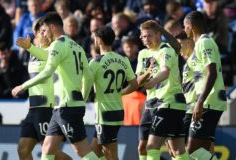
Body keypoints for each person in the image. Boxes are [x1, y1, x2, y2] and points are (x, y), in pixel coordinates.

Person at [11, 12, 98, 160]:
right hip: (63, 107)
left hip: (65, 105)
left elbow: (47, 72)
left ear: (52, 27)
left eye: (44, 30)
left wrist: (23, 86)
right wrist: (82, 99)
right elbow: (88, 77)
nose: (43, 34)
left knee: (82, 151)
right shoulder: (76, 47)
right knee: (47, 149)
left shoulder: (58, 45)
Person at [15, 17, 71, 160]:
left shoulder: (52, 51)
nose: (44, 34)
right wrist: (31, 48)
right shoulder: (33, 54)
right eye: (40, 32)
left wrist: (30, 47)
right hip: (33, 109)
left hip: (46, 108)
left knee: (51, 152)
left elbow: (46, 57)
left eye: (44, 31)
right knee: (23, 149)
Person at [84, 26, 138, 160]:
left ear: (99, 40)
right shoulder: (123, 60)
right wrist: (120, 93)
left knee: (110, 154)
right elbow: (134, 84)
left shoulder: (95, 62)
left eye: (95, 38)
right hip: (118, 110)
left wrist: (80, 103)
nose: (94, 41)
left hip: (104, 113)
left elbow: (86, 87)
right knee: (95, 150)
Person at [139, 20, 188, 160]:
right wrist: (147, 73)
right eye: (143, 36)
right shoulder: (143, 54)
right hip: (151, 105)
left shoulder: (167, 49)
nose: (146, 39)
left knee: (151, 147)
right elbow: (138, 80)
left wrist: (151, 82)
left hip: (168, 102)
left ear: (158, 34)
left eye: (149, 35)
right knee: (177, 150)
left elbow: (165, 71)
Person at [183, 11, 227, 160]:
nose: (184, 30)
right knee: (203, 150)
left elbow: (212, 73)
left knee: (190, 150)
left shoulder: (204, 42)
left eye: (185, 27)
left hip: (209, 102)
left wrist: (200, 102)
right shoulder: (198, 45)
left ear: (191, 26)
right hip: (207, 101)